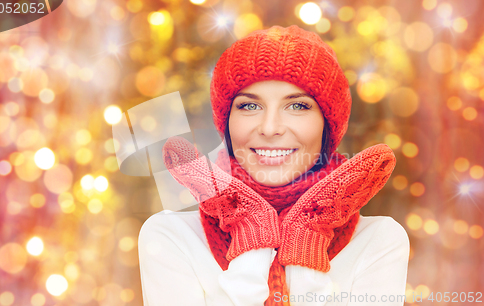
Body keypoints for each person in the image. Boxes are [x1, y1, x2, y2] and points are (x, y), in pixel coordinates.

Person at [138, 25, 410, 306]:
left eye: (298, 106)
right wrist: (248, 225)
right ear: (227, 123)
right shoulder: (171, 236)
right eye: (249, 106)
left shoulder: (378, 241)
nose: (270, 128)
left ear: (327, 127)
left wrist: (308, 235)